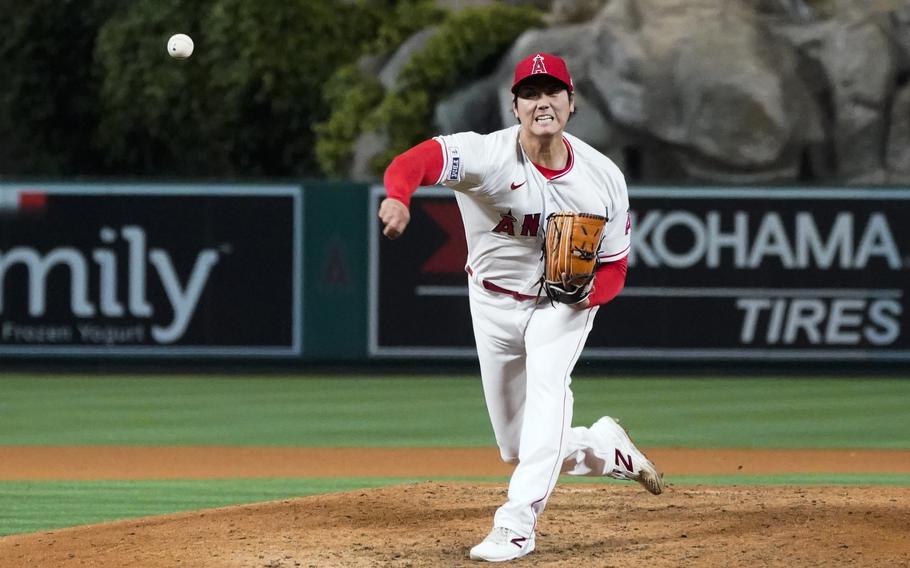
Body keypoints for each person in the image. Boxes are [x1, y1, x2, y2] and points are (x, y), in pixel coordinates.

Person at [378, 52, 664, 563]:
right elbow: (414, 162)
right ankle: (605, 450)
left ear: (571, 104)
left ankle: (516, 526)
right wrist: (399, 196)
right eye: (530, 93)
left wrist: (585, 295)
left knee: (550, 394)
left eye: (553, 91)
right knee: (515, 446)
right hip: (490, 301)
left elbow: (615, 268)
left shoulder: (603, 178)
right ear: (515, 106)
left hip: (560, 306)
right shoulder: (485, 156)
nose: (542, 102)